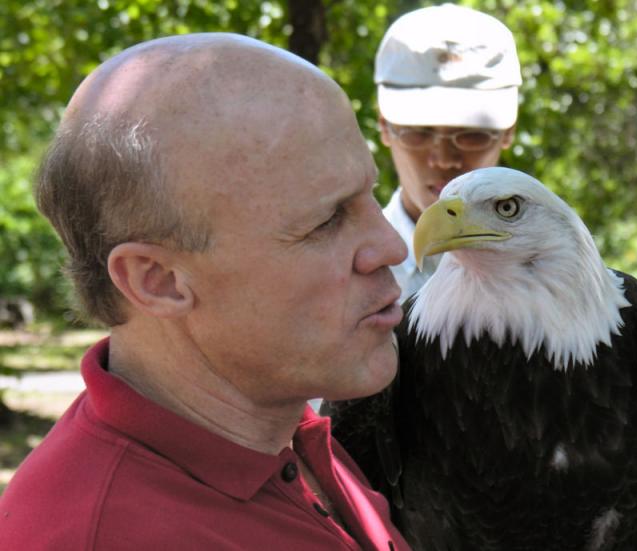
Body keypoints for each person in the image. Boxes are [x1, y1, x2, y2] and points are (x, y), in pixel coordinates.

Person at [0, 33, 413, 551]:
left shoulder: (280, 425)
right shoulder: (100, 535)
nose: (391, 246)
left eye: (369, 195)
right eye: (326, 221)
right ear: (158, 280)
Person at [375, 3, 522, 301]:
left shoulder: (572, 285)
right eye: (418, 131)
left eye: (472, 134)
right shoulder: (340, 275)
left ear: (508, 131)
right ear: (384, 127)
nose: (444, 158)